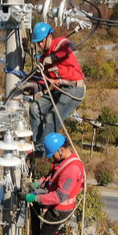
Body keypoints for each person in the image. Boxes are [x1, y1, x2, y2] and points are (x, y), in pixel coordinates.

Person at [19, 132, 85, 235]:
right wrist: (37, 184)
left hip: (60, 208)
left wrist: (37, 197)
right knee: (35, 206)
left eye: (52, 155)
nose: (51, 159)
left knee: (47, 234)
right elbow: (51, 176)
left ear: (60, 150)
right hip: (55, 197)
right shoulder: (62, 160)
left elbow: (60, 196)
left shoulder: (71, 169)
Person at [29, 22, 85, 155]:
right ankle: (38, 143)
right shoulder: (43, 59)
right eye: (37, 43)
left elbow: (71, 47)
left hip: (73, 89)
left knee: (51, 118)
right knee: (34, 108)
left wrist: (53, 57)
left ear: (49, 37)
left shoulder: (59, 43)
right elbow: (45, 81)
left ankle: (42, 150)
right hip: (57, 90)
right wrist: (32, 87)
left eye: (41, 41)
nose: (40, 45)